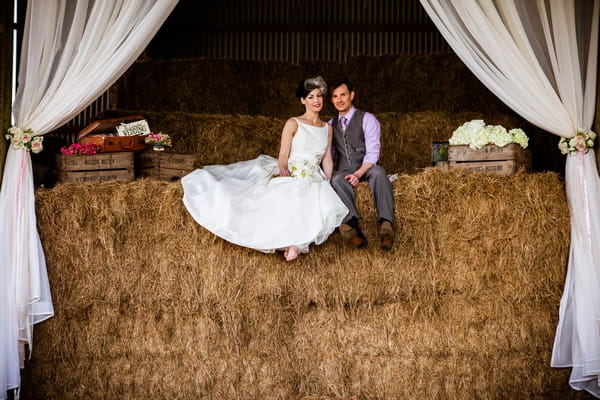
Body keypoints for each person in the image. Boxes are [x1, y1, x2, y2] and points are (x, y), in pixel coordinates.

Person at [181, 76, 348, 261]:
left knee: (318, 199)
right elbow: (283, 155)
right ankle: (289, 243)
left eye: (319, 96)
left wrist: (328, 180)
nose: (316, 100)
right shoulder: (293, 123)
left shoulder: (327, 128)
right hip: (294, 170)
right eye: (310, 97)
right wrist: (284, 169)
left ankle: (297, 243)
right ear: (302, 100)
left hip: (315, 175)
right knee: (287, 193)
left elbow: (327, 159)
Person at [328, 76, 395, 251]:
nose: (339, 100)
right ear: (331, 99)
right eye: (335, 96)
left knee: (380, 173)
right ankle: (351, 225)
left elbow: (373, 153)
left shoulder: (367, 119)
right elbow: (329, 155)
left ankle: (386, 225)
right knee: (335, 180)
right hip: (344, 169)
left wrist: (358, 173)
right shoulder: (330, 125)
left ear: (352, 95)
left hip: (367, 168)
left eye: (343, 95)